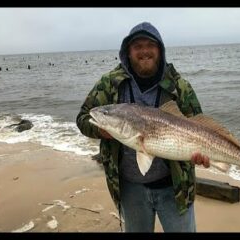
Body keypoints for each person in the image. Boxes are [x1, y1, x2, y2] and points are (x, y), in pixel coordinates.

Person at [76, 22, 210, 232]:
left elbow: (200, 126)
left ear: (160, 50)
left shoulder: (179, 86)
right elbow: (84, 117)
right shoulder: (110, 83)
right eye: (137, 46)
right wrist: (102, 130)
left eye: (150, 45)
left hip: (175, 188)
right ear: (127, 52)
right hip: (130, 189)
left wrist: (202, 156)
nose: (144, 51)